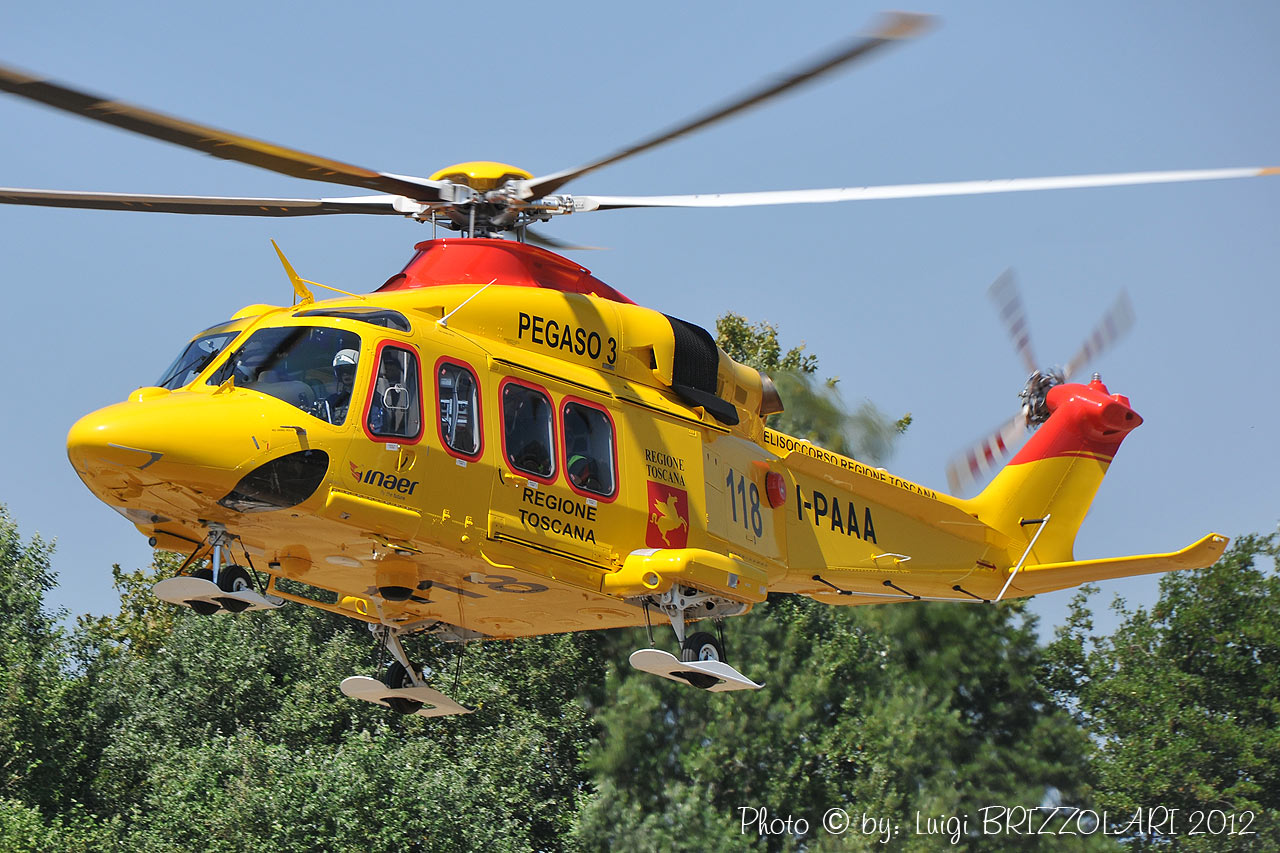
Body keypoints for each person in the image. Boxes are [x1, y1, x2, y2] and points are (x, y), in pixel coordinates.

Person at [326, 348, 359, 424]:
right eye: (341, 371)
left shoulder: (369, 399)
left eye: (349, 370)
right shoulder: (332, 401)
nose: (345, 374)